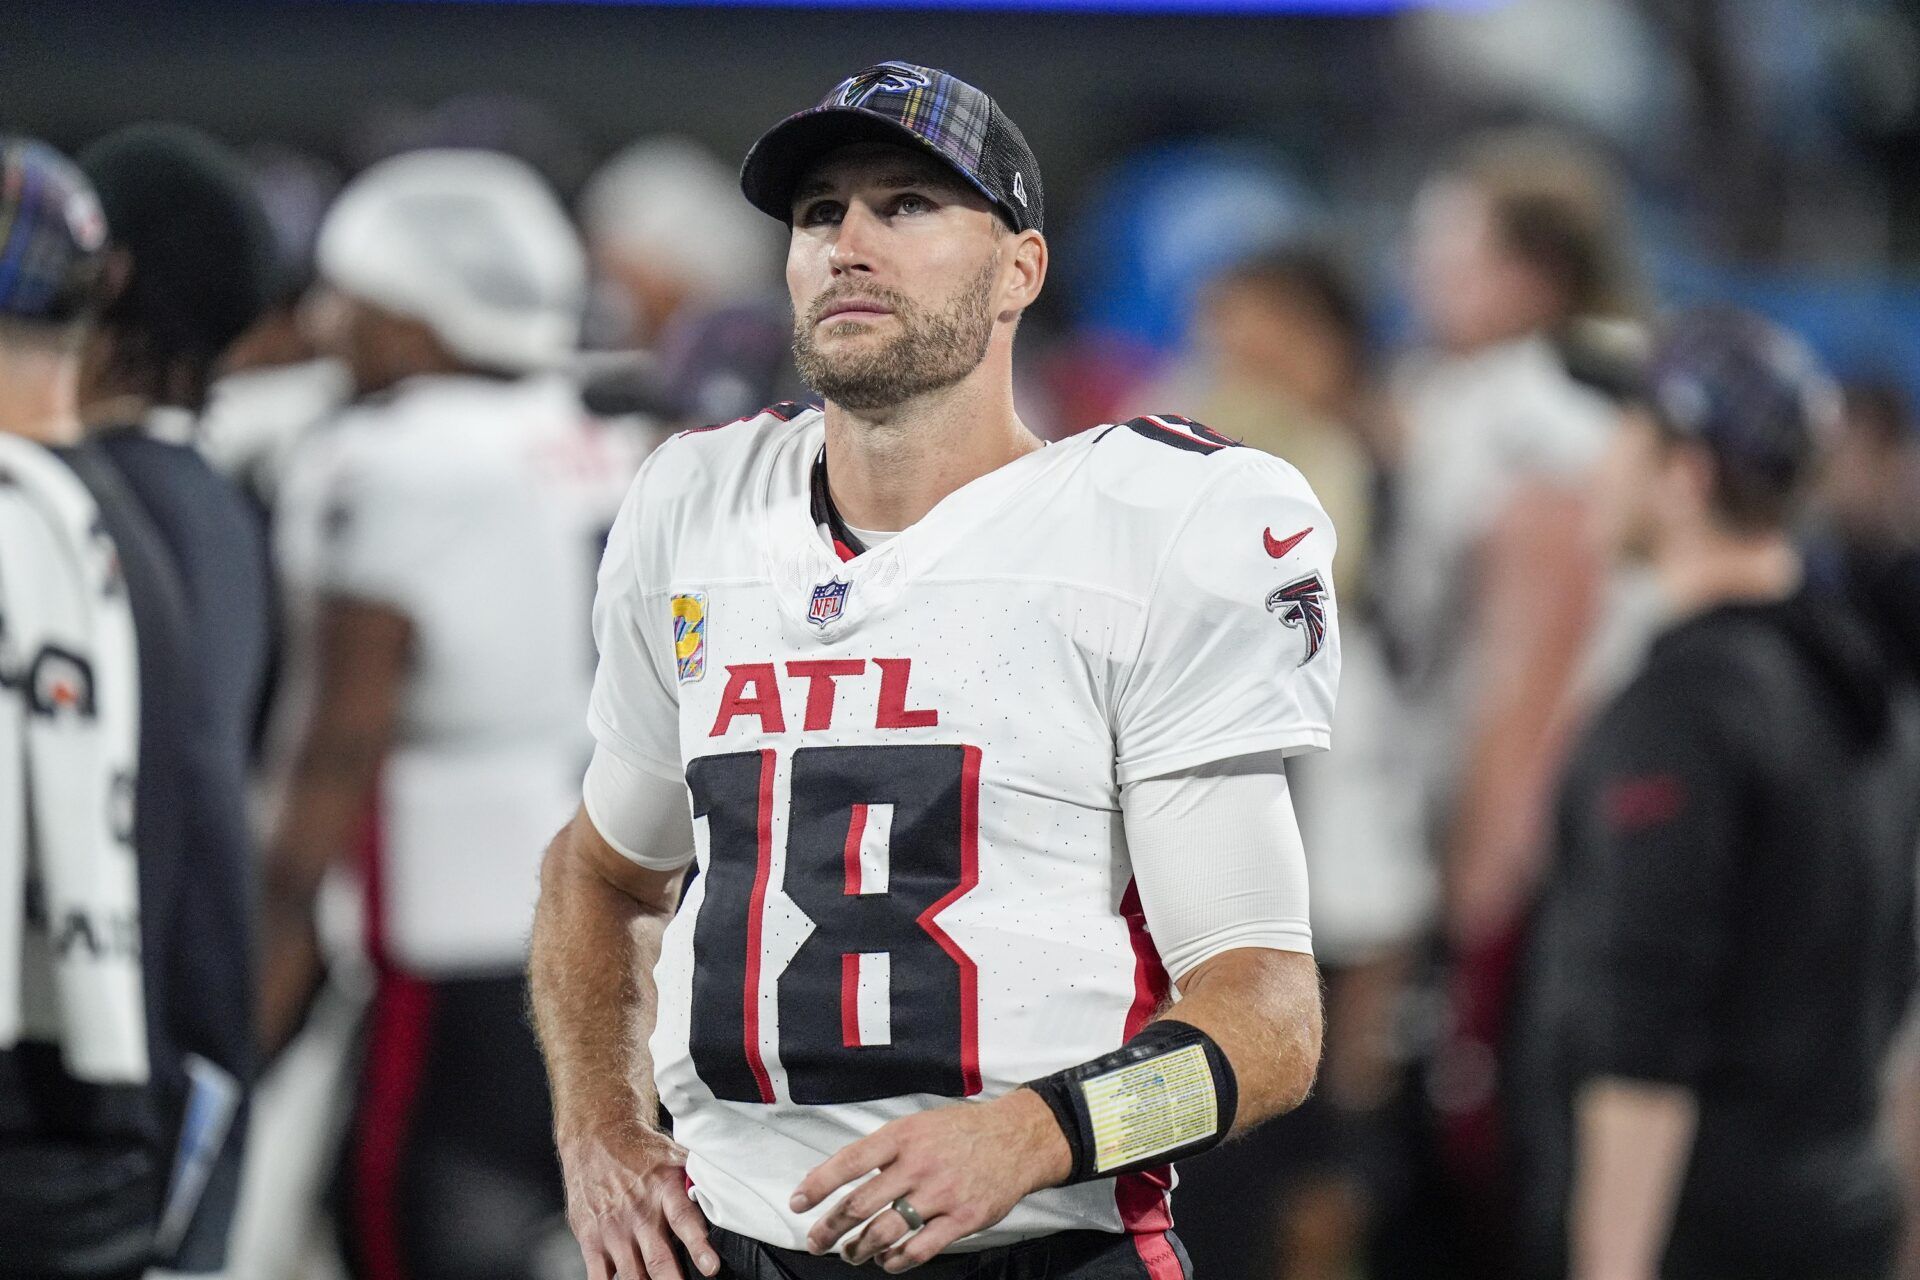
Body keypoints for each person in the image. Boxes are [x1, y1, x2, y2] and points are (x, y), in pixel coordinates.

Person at [530, 61, 1335, 1280]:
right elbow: (599, 873)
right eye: (818, 214)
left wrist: (1031, 1135)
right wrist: (597, 1129)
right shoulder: (696, 506)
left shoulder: (1150, 522)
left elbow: (1270, 1016)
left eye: (906, 205)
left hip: (1033, 1245)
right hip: (730, 1239)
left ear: (1021, 269)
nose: (849, 243)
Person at [259, 147, 644, 1280]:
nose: (329, 325)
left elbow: (334, 750)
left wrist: (253, 994)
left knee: (397, 1228)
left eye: (352, 301)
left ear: (416, 323)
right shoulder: (602, 436)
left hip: (454, 939)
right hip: (619, 929)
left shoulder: (396, 459)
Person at [1514, 309, 1920, 1280]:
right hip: (1833, 1217)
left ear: (1686, 476)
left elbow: (1643, 1029)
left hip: (1704, 1233)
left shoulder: (1683, 710)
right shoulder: (1860, 680)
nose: (1602, 467)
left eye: (1627, 437)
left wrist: (1611, 1261)